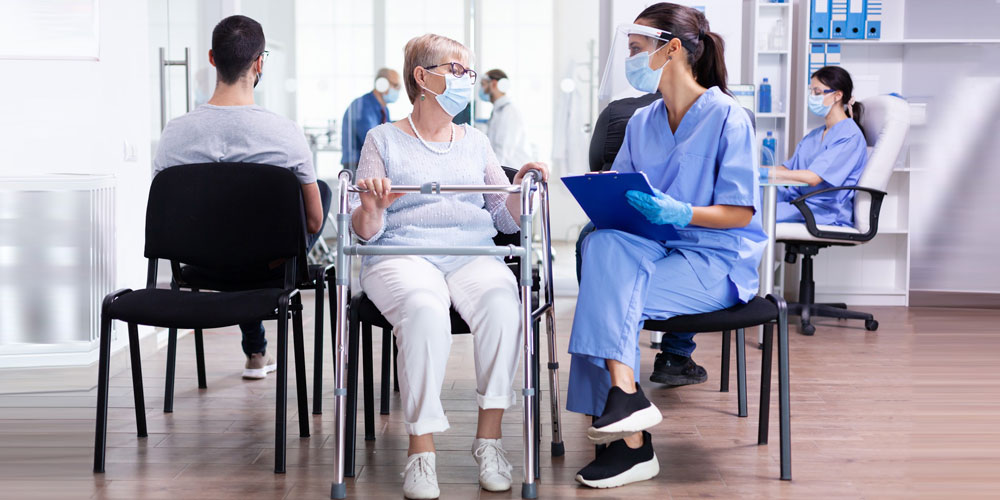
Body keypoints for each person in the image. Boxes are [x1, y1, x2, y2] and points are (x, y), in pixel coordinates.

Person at [566, 3, 766, 489]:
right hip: (653, 248)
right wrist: (608, 193)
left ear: (671, 49)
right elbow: (626, 193)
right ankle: (626, 409)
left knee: (605, 293)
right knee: (603, 246)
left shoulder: (728, 118)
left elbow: (740, 213)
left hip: (713, 260)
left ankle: (627, 441)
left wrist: (681, 212)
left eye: (637, 50)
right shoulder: (641, 122)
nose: (632, 59)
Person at [349, 34, 548, 499]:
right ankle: (421, 452)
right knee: (424, 310)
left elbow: (503, 217)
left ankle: (489, 441)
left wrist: (519, 189)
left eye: (469, 72)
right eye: (456, 70)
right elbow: (365, 232)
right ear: (423, 77)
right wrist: (374, 208)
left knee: (504, 306)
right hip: (402, 253)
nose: (467, 80)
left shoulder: (476, 142)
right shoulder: (381, 139)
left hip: (471, 252)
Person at [153, 15, 330, 380]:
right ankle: (257, 346)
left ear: (212, 58)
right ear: (259, 62)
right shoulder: (284, 133)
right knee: (318, 194)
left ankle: (256, 350)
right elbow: (313, 222)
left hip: (198, 266)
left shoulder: (174, 134)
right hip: (266, 270)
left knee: (232, 227)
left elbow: (166, 218)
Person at [575, 91, 712, 389]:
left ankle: (612, 383)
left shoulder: (719, 117)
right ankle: (669, 358)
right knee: (597, 243)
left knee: (598, 247)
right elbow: (613, 172)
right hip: (643, 226)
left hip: (683, 233)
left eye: (636, 48)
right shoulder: (637, 118)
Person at [773, 66, 868, 226]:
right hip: (797, 199)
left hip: (822, 210)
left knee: (749, 216)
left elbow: (813, 178)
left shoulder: (849, 136)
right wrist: (752, 169)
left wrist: (763, 172)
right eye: (811, 92)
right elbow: (788, 169)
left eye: (817, 93)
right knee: (746, 199)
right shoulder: (814, 135)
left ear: (838, 95)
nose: (812, 97)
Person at [341, 68, 401, 172]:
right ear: (382, 84)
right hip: (356, 165)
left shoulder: (384, 109)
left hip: (372, 162)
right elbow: (372, 139)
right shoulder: (362, 106)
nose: (398, 90)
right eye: (395, 86)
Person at [479, 69, 530, 167]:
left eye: (483, 84)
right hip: (505, 170)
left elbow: (503, 152)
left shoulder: (510, 112)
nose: (481, 89)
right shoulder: (498, 111)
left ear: (494, 84)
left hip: (512, 173)